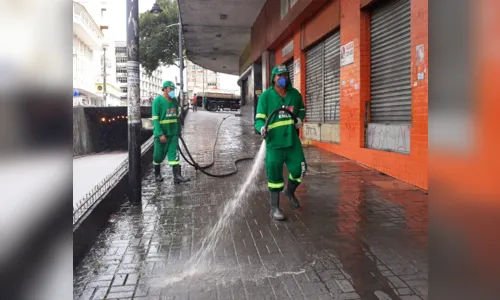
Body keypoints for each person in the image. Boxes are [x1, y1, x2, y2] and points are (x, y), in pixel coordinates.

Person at [254, 65, 307, 221]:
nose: (283, 78)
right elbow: (258, 119)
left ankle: (290, 191)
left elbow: (301, 109)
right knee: (275, 176)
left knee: (300, 169)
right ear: (273, 78)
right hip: (274, 144)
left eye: (285, 75)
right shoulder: (265, 97)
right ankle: (275, 208)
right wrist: (261, 128)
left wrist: (299, 119)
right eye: (279, 76)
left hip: (292, 142)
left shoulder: (295, 94)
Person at [151, 81, 190, 184]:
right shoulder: (157, 101)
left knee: (174, 154)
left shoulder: (174, 101)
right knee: (158, 156)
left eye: (173, 89)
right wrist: (160, 134)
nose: (172, 91)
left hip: (173, 133)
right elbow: (155, 119)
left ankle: (177, 176)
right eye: (171, 89)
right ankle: (157, 174)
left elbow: (176, 117)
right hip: (161, 134)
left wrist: (179, 130)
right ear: (165, 89)